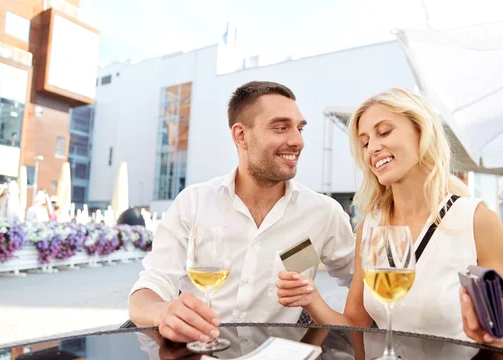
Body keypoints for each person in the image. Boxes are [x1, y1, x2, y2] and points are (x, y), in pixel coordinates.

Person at [276, 88, 503, 355]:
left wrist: (498, 338)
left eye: (385, 132)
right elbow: (355, 327)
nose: (373, 148)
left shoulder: (477, 221)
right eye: (365, 142)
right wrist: (311, 300)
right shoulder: (371, 226)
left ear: (421, 132)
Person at [129, 81, 356, 344]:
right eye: (281, 127)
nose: (297, 141)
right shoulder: (194, 202)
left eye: (299, 128)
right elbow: (149, 289)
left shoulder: (323, 213)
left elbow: (366, 286)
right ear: (240, 135)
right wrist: (162, 312)